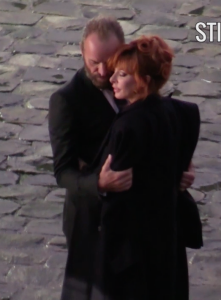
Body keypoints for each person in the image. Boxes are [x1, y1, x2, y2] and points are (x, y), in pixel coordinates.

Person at [48, 16, 197, 300]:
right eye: (94, 62)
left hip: (144, 220)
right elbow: (63, 171)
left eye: (110, 61)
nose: (103, 71)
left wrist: (180, 166)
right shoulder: (66, 101)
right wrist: (100, 182)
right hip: (94, 223)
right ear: (82, 53)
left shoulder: (137, 83)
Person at [83, 35, 201, 300]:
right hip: (167, 241)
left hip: (133, 255)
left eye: (122, 74)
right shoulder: (176, 112)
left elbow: (117, 204)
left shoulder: (128, 126)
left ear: (143, 81)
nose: (111, 78)